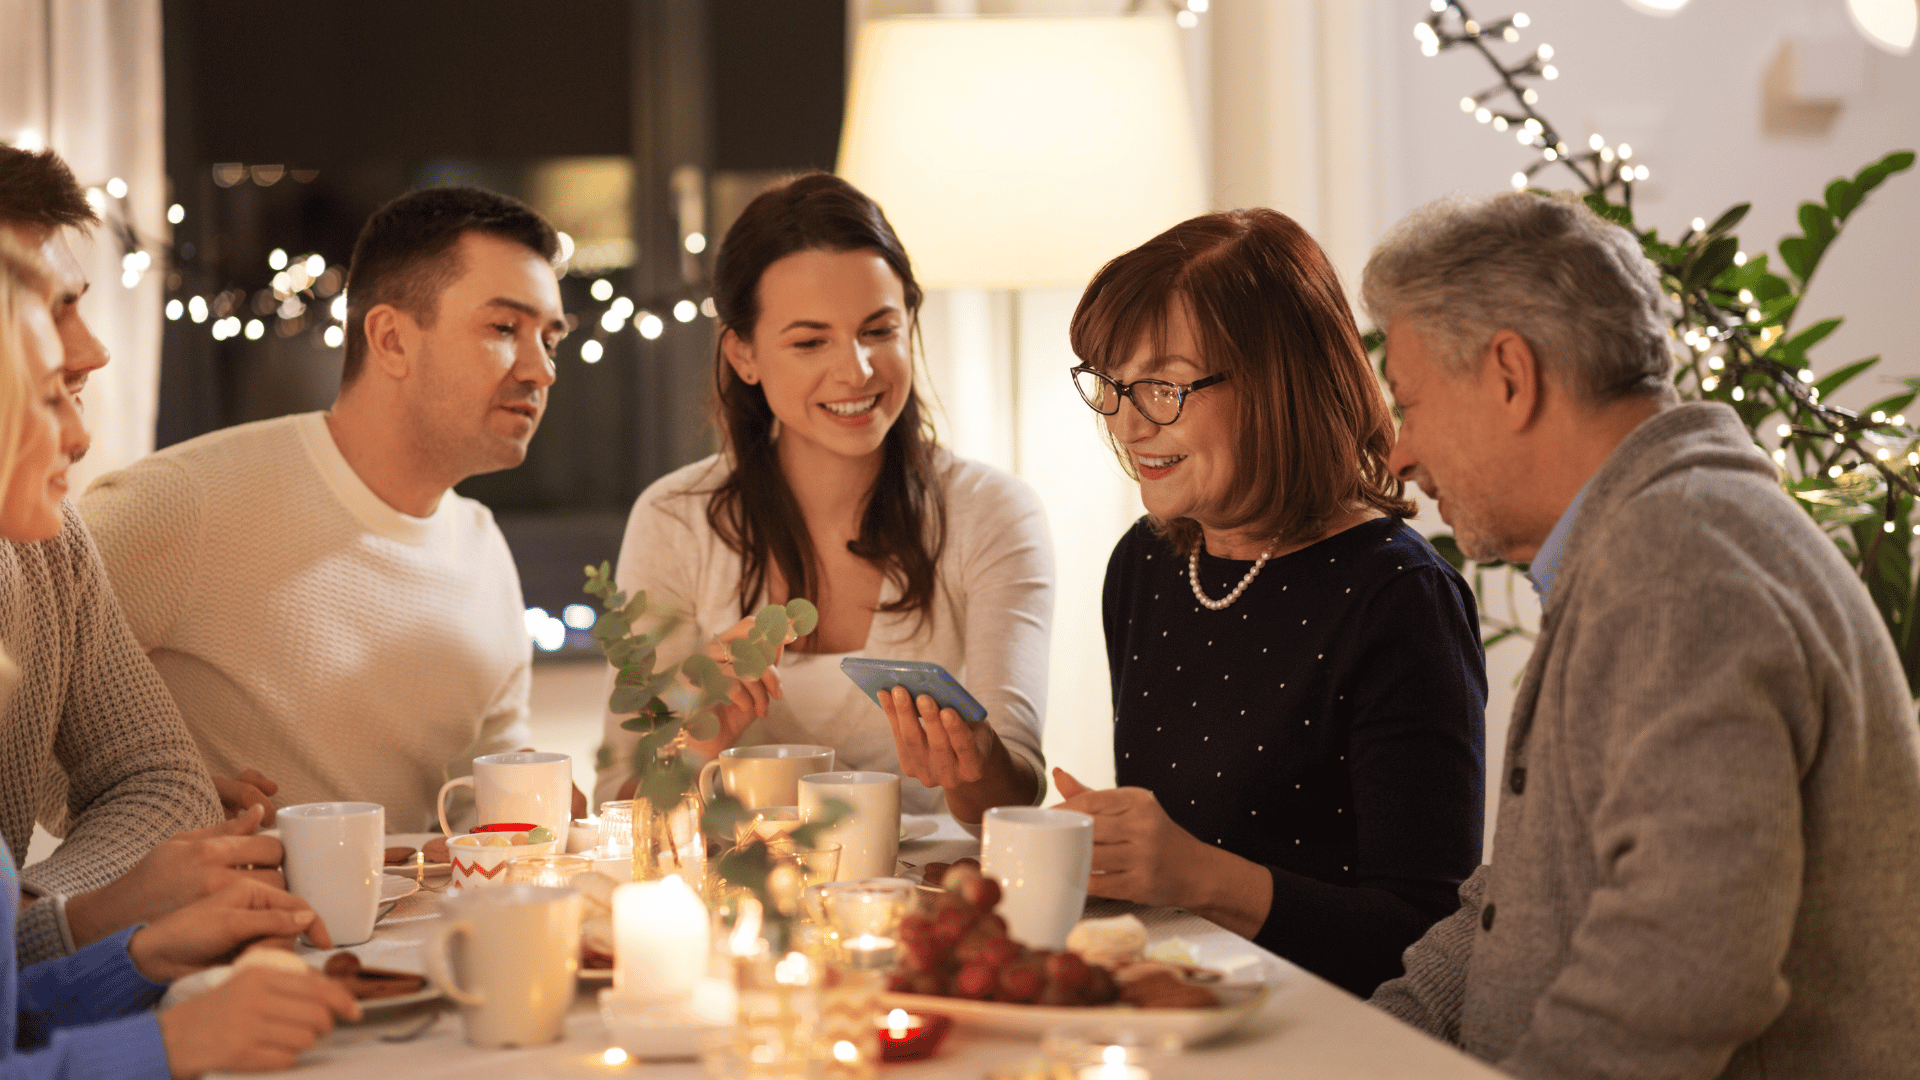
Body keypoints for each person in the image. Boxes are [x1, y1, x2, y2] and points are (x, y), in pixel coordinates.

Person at [1364, 191, 1920, 1077]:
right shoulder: (1657, 537)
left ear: (1511, 375)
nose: (1399, 453)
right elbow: (1507, 909)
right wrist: (1360, 1052)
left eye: (1411, 404)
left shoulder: (1677, 565)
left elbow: (1688, 967)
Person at [1052, 208, 1486, 997]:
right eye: (1112, 384)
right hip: (1189, 1014)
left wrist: (1195, 875)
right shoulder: (1146, 565)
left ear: (1279, 381)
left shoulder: (1399, 599)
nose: (1127, 421)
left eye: (1164, 384)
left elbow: (1426, 944)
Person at [81, 186, 568, 832]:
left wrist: (546, 813)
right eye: (505, 329)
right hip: (214, 930)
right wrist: (151, 808)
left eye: (551, 339)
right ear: (391, 340)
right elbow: (27, 701)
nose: (542, 371)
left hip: (416, 929)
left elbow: (488, 798)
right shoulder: (184, 502)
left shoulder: (483, 548)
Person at [0, 229, 360, 1079]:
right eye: (51, 391)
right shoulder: (174, 504)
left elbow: (162, 783)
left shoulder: (45, 548)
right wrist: (164, 1031)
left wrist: (135, 951)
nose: (83, 439)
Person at [593, 172, 1050, 823]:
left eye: (879, 331)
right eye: (811, 342)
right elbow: (624, 804)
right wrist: (698, 734)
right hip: (739, 906)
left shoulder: (991, 513)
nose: (857, 371)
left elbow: (1016, 799)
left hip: (922, 904)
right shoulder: (675, 519)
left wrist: (972, 756)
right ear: (744, 354)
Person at [0, 143, 280, 968]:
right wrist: (89, 919)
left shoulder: (50, 538)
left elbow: (161, 782)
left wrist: (45, 919)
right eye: (49, 316)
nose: (90, 351)